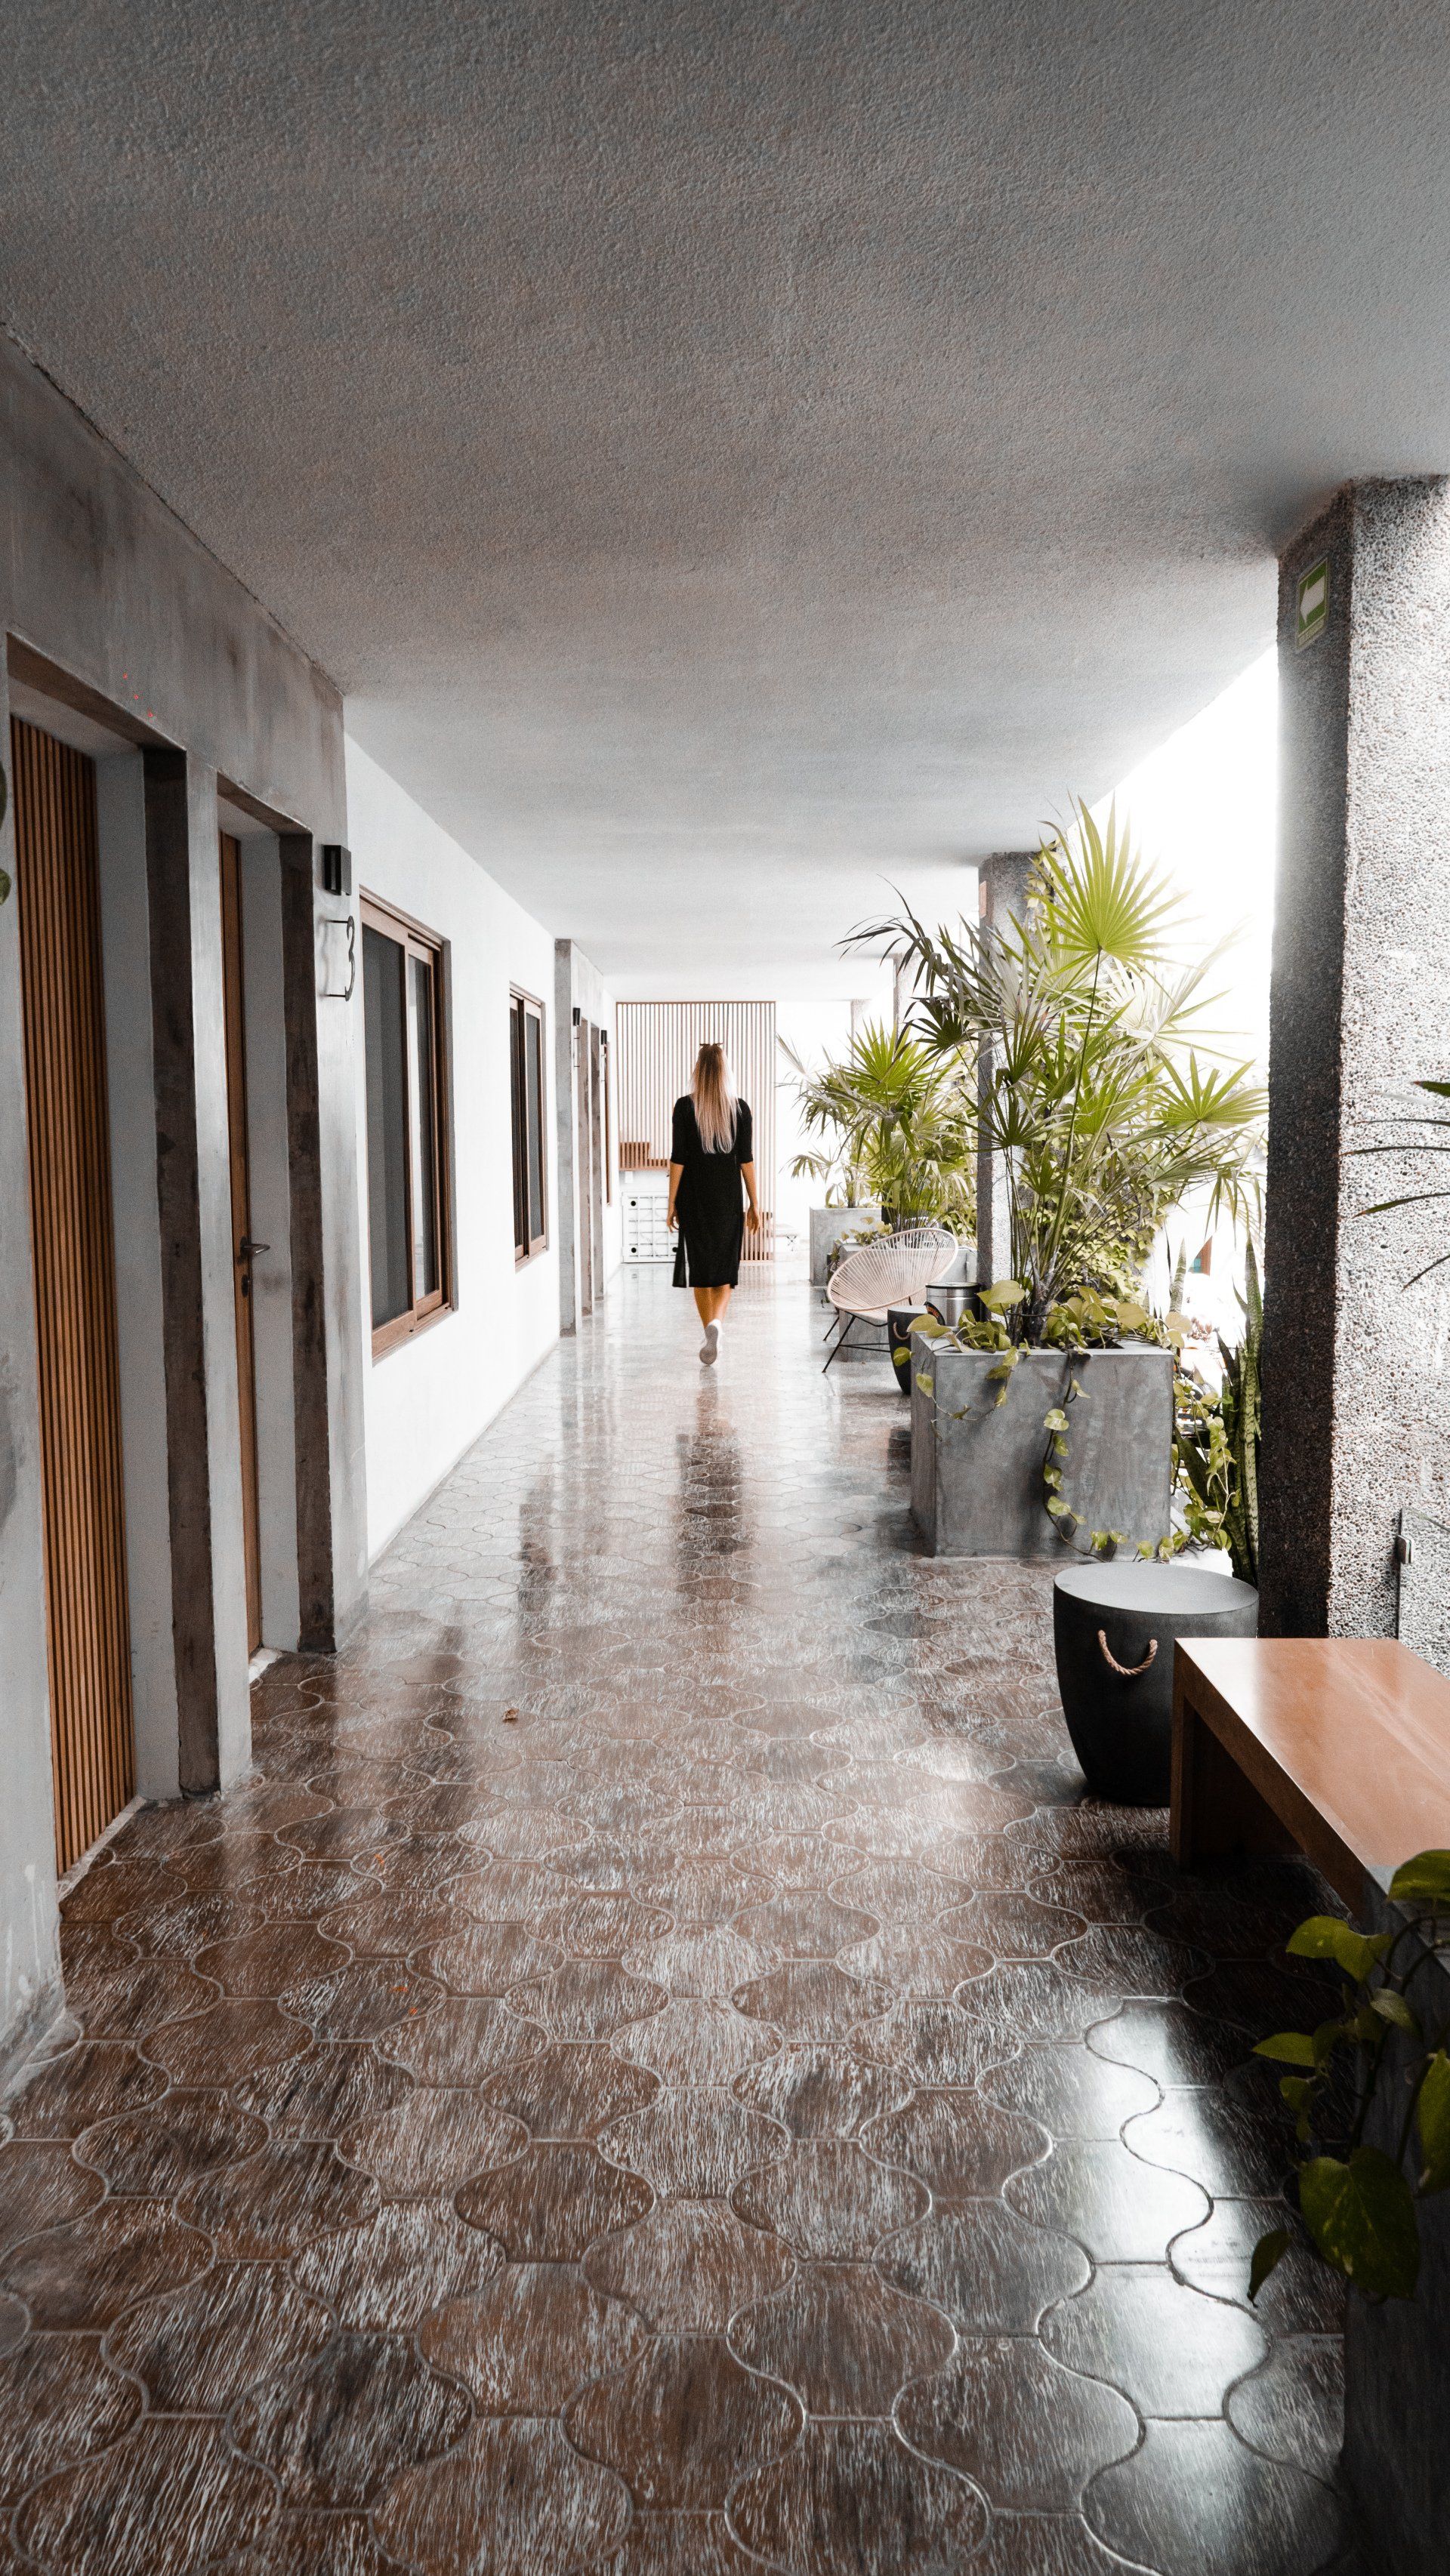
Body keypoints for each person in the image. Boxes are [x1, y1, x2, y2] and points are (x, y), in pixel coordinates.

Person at [667, 1043, 761, 1363]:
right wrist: (755, 1203)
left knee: (701, 1270)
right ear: (725, 1072)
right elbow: (746, 1160)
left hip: (694, 1198)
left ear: (698, 1070)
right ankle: (717, 1324)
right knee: (724, 1271)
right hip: (727, 1198)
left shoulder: (684, 1107)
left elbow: (678, 1160)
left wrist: (671, 1204)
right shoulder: (740, 1109)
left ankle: (709, 1328)